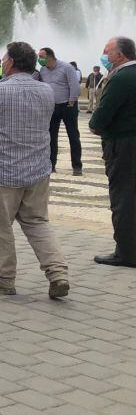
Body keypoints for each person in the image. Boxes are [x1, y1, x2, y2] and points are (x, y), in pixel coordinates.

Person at [0, 41, 69, 298]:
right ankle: (57, 273)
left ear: (11, 62)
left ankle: (3, 278)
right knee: (37, 222)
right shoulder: (46, 91)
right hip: (37, 170)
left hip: (1, 171)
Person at [89, 36, 136, 267]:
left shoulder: (121, 78)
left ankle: (126, 252)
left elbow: (101, 115)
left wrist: (95, 126)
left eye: (106, 52)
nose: (104, 56)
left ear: (119, 55)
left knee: (123, 198)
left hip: (123, 145)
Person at [37, 47, 83, 175]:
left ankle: (77, 166)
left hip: (68, 106)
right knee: (51, 137)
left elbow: (74, 85)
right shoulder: (43, 70)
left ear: (50, 57)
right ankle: (51, 165)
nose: (39, 59)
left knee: (73, 135)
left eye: (41, 56)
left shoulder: (66, 67)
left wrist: (72, 101)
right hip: (52, 107)